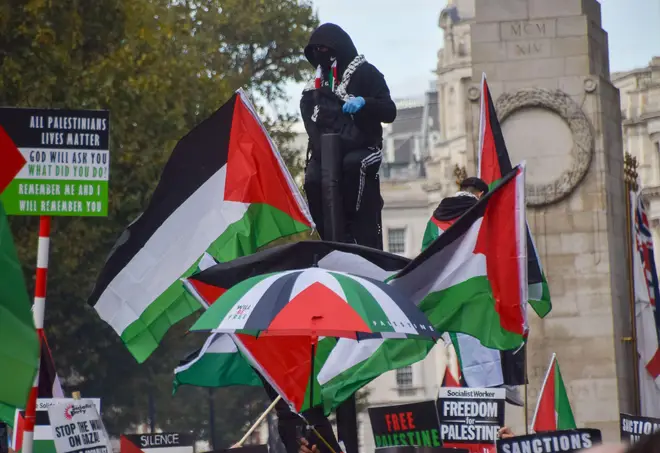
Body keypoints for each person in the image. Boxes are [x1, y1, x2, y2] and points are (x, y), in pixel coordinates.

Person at [422, 176, 525, 407]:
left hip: (451, 298)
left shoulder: (435, 219)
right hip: (480, 292)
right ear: (480, 193)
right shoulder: (482, 214)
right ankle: (499, 392)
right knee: (491, 342)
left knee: (465, 352)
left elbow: (426, 258)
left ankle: (475, 404)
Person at [301, 22, 397, 248]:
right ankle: (328, 236)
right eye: (316, 52)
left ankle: (353, 231)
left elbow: (389, 110)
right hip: (327, 148)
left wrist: (365, 103)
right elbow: (311, 122)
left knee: (354, 165)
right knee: (313, 180)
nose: (321, 56)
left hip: (364, 145)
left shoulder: (366, 73)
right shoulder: (312, 89)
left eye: (325, 50)